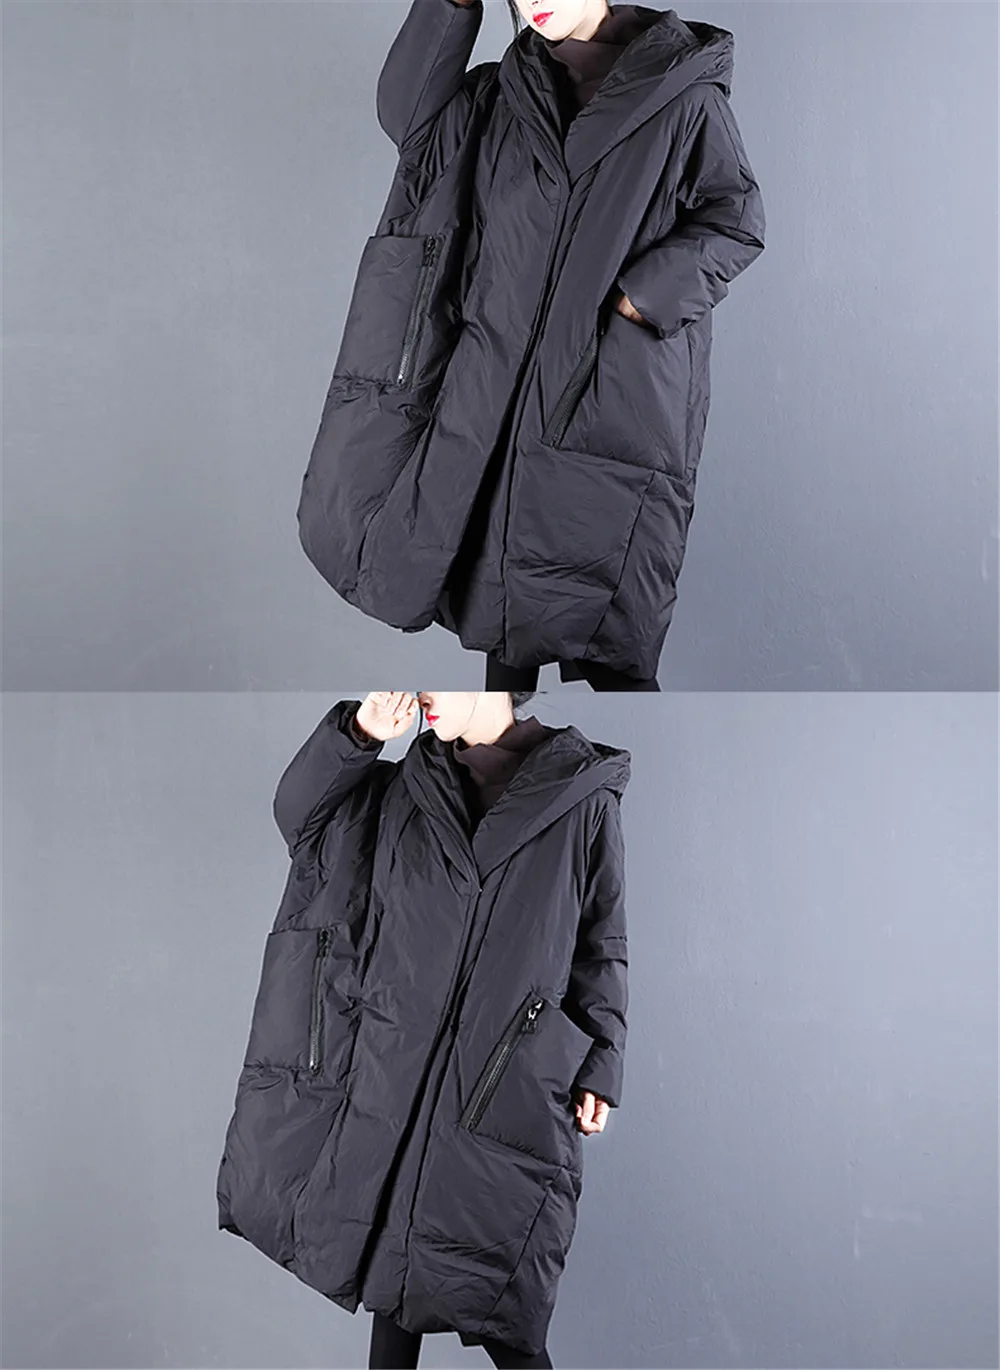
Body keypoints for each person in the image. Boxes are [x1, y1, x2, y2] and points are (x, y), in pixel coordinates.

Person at [296, 0, 766, 689]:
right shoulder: (502, 95)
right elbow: (411, 118)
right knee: (505, 621)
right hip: (494, 393)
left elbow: (736, 218)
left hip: (611, 394)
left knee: (609, 637)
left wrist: (643, 298)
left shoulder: (682, 95)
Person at [216, 692, 631, 1367]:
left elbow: (601, 942)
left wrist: (603, 1062)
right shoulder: (405, 788)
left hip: (498, 1080)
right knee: (393, 1272)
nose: (427, 696)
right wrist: (358, 734)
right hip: (392, 1072)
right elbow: (302, 820)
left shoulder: (580, 797)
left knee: (502, 1306)